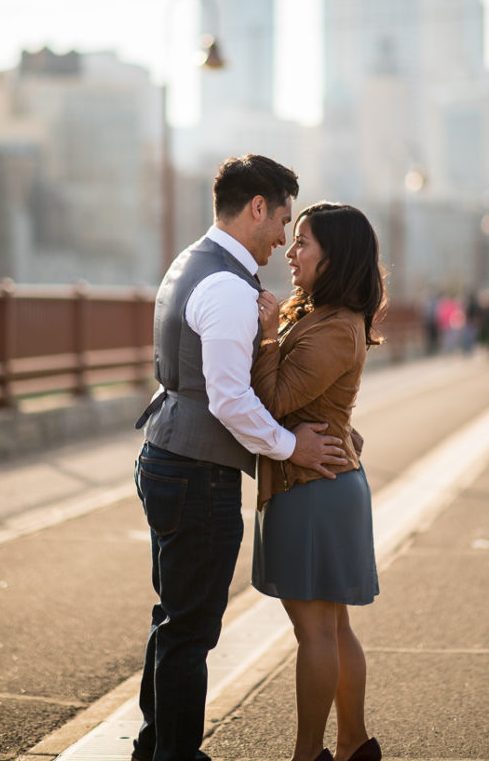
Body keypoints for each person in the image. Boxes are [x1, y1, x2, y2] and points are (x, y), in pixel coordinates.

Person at [132, 156, 348, 761]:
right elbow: (231, 399)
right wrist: (291, 444)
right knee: (192, 630)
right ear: (257, 208)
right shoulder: (226, 285)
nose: (283, 238)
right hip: (197, 473)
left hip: (168, 454)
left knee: (174, 618)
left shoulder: (189, 262)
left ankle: (155, 748)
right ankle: (176, 754)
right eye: (282, 220)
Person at [252, 202, 385, 761]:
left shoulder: (333, 329)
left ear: (335, 259)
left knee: (316, 634)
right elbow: (320, 400)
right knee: (333, 628)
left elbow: (271, 402)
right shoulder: (327, 318)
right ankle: (353, 743)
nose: (291, 250)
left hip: (311, 489)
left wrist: (264, 337)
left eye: (303, 242)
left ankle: (309, 755)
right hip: (325, 484)